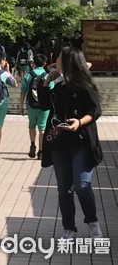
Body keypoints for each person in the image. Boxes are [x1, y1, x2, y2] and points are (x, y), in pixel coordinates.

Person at [38, 47, 103, 240]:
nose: (55, 60)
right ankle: (69, 228)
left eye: (58, 58)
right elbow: (43, 106)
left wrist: (79, 122)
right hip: (59, 142)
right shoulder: (58, 85)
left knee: (82, 184)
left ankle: (92, 223)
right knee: (64, 188)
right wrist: (46, 81)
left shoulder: (84, 85)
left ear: (67, 61)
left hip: (81, 142)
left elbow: (95, 110)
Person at [19, 53, 51, 160]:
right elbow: (51, 90)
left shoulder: (28, 75)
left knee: (32, 125)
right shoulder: (47, 75)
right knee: (42, 128)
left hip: (31, 104)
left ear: (33, 63)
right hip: (44, 105)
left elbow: (23, 90)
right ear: (45, 63)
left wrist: (21, 105)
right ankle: (41, 151)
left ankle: (32, 144)